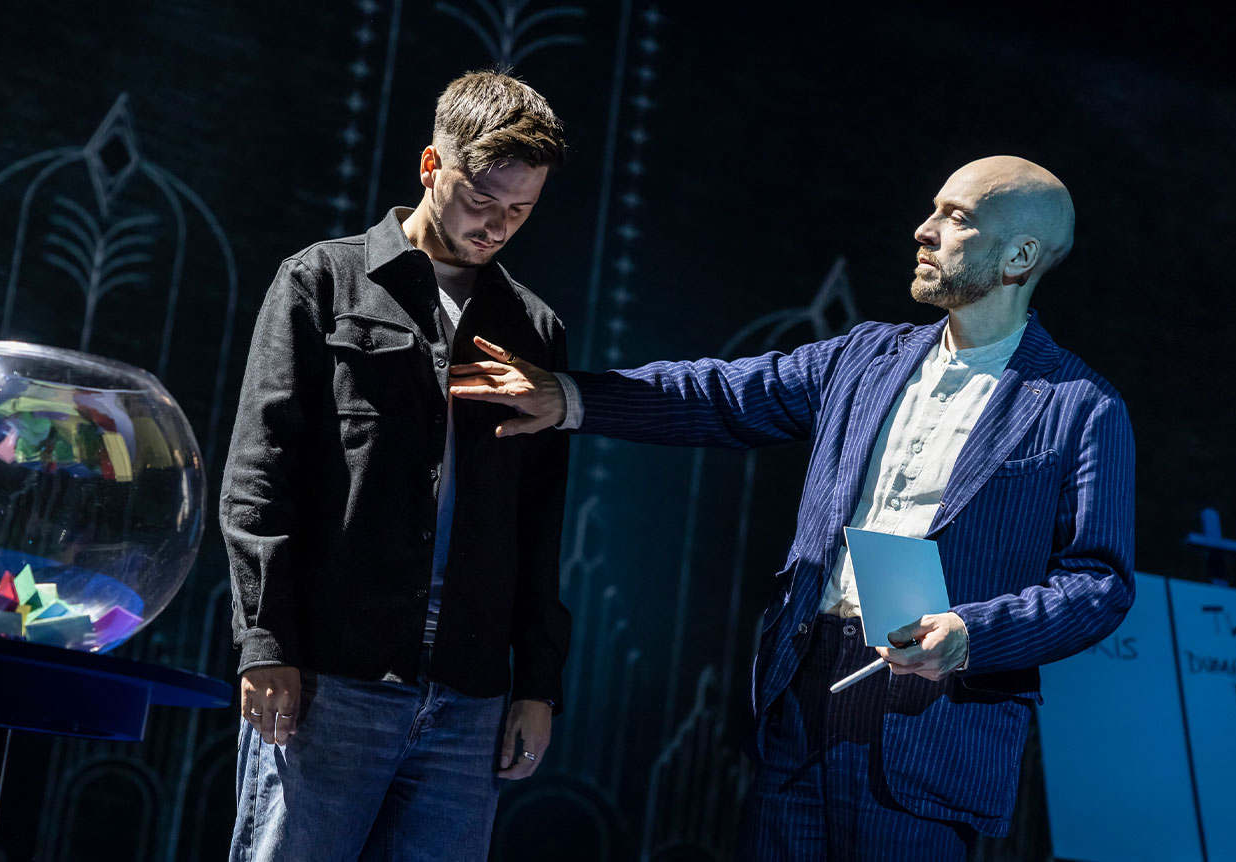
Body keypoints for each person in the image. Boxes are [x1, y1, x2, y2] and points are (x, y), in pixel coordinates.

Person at [449, 156, 1135, 860]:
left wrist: (971, 633)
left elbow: (1099, 583)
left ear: (1020, 255)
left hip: (934, 720)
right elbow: (720, 395)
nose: (923, 230)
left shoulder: (1081, 407)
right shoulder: (867, 357)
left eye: (956, 218)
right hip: (807, 691)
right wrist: (570, 396)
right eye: (933, 210)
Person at [220, 70, 572, 861]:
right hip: (331, 681)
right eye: (482, 200)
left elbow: (540, 519)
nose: (497, 226)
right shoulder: (320, 281)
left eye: (520, 211)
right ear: (429, 167)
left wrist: (537, 684)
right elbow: (258, 477)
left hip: (470, 695)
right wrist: (266, 641)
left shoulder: (535, 328)